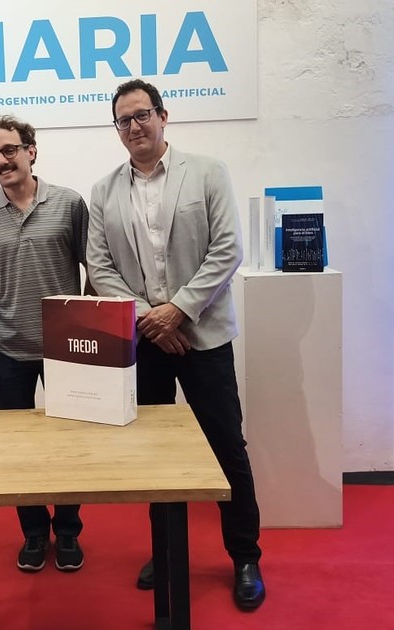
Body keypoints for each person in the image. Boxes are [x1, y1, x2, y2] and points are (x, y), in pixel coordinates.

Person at [86, 79, 267, 611]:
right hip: (146, 341)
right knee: (156, 455)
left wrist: (179, 310)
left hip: (204, 336)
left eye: (142, 115)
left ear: (163, 116)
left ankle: (245, 556)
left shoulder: (207, 172)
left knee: (226, 447)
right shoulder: (104, 191)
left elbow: (227, 250)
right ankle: (166, 552)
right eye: (124, 120)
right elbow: (100, 266)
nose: (134, 126)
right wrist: (151, 318)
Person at [0, 115, 90, 573]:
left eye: (10, 150)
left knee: (69, 446)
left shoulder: (69, 204)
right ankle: (34, 533)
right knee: (20, 450)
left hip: (67, 349)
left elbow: (94, 269)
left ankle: (68, 531)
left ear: (31, 151)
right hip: (9, 349)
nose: (1, 160)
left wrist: (89, 331)